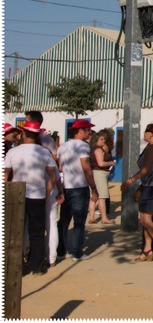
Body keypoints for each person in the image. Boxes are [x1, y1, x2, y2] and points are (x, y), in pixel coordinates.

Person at [4, 120, 61, 275]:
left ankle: (17, 266)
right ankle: (36, 266)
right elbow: (53, 177)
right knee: (37, 232)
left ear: (23, 133)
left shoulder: (13, 152)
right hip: (37, 195)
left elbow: (5, 176)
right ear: (38, 135)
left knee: (17, 231)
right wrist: (46, 193)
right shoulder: (44, 152)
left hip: (17, 195)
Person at [120, 123, 153, 263]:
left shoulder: (152, 148)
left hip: (151, 187)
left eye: (146, 131)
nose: (144, 133)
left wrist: (130, 180)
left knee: (145, 220)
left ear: (152, 133)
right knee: (146, 219)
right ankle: (147, 250)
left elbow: (145, 169)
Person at [56, 119, 99, 262]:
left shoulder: (63, 147)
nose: (90, 132)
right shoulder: (82, 146)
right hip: (79, 187)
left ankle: (61, 250)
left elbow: (60, 168)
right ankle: (77, 252)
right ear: (80, 131)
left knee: (63, 220)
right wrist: (93, 187)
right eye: (88, 130)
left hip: (66, 185)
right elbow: (86, 167)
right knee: (79, 221)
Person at [24, 111, 63, 268]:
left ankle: (27, 254)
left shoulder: (25, 143)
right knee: (50, 224)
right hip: (49, 188)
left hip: (36, 189)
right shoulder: (48, 143)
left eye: (26, 121)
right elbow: (55, 168)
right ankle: (51, 257)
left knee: (29, 224)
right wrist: (59, 190)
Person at [87, 129, 116, 225]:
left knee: (93, 197)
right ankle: (104, 218)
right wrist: (111, 163)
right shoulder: (98, 150)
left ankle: (92, 217)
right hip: (100, 174)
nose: (103, 141)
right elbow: (101, 163)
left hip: (95, 173)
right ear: (96, 140)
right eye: (101, 139)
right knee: (102, 197)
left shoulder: (93, 149)